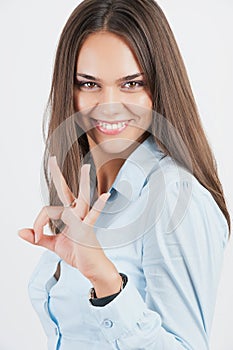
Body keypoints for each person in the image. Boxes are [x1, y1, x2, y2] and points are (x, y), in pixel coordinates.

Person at [18, 0, 231, 349]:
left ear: (159, 87)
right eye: (89, 84)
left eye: (131, 84)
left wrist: (106, 280)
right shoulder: (87, 192)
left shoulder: (175, 196)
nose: (109, 104)